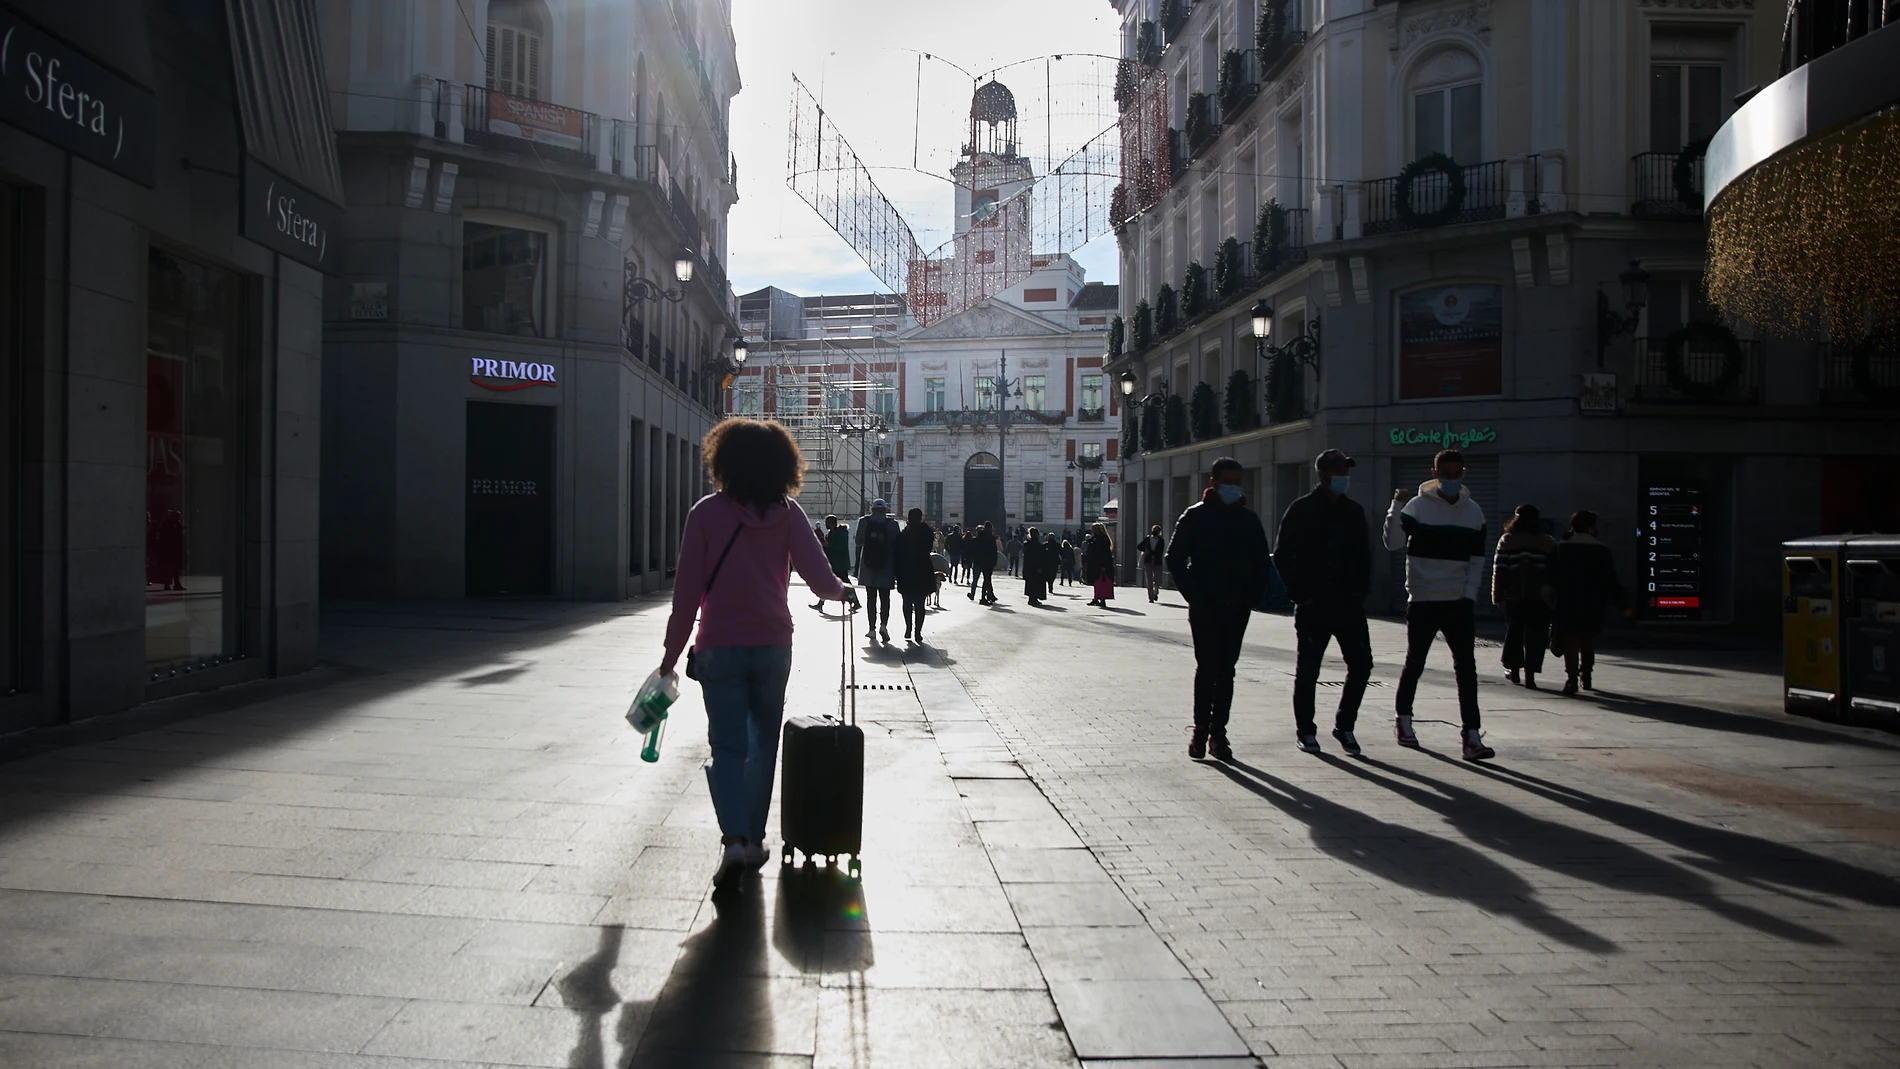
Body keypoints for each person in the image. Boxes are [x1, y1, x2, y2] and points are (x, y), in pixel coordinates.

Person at [659, 418, 859, 891]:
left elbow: (685, 596)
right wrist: (844, 591)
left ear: (722, 460)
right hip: (772, 645)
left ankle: (732, 838)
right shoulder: (789, 514)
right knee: (763, 746)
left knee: (727, 746)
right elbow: (819, 578)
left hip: (719, 646)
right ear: (782, 465)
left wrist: (670, 657)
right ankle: (753, 839)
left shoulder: (705, 514)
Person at [1384, 448, 1494, 761]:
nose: (1450, 479)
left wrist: (1469, 595)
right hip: (1422, 600)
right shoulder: (1417, 507)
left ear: (1463, 473)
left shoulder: (1473, 512)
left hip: (1457, 602)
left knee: (1466, 669)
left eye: (1456, 473)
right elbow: (1392, 543)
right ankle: (1403, 722)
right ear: (1434, 474)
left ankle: (1471, 736)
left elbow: (1477, 559)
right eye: (1444, 474)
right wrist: (1396, 505)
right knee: (1414, 663)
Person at [1166, 458, 1272, 762]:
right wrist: (1193, 594)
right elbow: (1174, 558)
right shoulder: (1195, 517)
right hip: (1206, 605)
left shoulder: (1247, 519)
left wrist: (1252, 596)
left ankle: (1219, 733)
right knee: (1208, 667)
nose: (1233, 487)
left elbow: (1262, 562)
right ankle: (1201, 730)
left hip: (1237, 605)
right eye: (1228, 481)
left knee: (1227, 671)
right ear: (1213, 482)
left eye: (1238, 481)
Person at [1273, 449, 1374, 755]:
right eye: (1338, 472)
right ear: (1322, 475)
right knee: (1308, 670)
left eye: (1346, 472)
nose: (1344, 477)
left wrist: (1360, 589)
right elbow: (1282, 555)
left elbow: (1364, 554)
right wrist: (1300, 594)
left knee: (1362, 665)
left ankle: (1345, 726)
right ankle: (1306, 730)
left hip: (1348, 603)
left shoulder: (1353, 511)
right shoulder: (1302, 509)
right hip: (1313, 605)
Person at [1549, 509, 1630, 695]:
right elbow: (1611, 580)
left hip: (1567, 602)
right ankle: (1586, 675)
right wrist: (1623, 605)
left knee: (1570, 641)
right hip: (1593, 603)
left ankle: (1571, 678)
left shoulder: (1561, 548)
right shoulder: (1601, 550)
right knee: (1587, 641)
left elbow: (1551, 577)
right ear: (1591, 527)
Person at [1492, 503, 1557, 689]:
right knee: (1536, 634)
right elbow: (1553, 571)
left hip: (1514, 595)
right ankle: (1531, 675)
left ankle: (1513, 671)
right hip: (1540, 597)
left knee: (1514, 633)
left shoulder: (1507, 539)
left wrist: (1497, 595)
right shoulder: (1548, 541)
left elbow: (1500, 569)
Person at [854, 499, 901, 643]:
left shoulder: (864, 521)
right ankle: (884, 625)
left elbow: (858, 542)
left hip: (868, 565)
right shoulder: (893, 524)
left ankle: (871, 629)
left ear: (872, 509)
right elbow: (897, 544)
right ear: (885, 510)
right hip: (886, 565)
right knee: (885, 598)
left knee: (871, 598)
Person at [895, 507, 936, 643]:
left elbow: (898, 552)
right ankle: (917, 631)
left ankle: (908, 627)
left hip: (906, 571)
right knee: (920, 604)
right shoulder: (927, 532)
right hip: (923, 570)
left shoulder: (904, 534)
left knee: (907, 602)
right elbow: (929, 548)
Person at [813, 515, 851, 611]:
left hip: (840, 563)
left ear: (831, 523)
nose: (825, 524)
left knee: (846, 583)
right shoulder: (832, 533)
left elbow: (840, 547)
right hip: (834, 562)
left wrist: (828, 545)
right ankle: (820, 603)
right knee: (829, 582)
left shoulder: (841, 533)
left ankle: (855, 601)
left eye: (827, 522)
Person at [1083, 522, 1116, 607]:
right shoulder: (1095, 538)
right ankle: (1096, 598)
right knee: (1096, 582)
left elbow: (1104, 553)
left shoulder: (1102, 539)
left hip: (1100, 564)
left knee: (1100, 582)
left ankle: (1101, 599)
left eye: (1093, 529)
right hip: (1094, 564)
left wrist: (1103, 566)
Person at [968, 521, 1000, 604]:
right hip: (988, 562)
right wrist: (995, 561)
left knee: (976, 579)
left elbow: (971, 550)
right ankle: (983, 597)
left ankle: (977, 594)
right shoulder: (991, 538)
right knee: (986, 580)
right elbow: (993, 551)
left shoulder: (977, 538)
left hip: (978, 561)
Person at [1136, 525, 1167, 603]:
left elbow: (1161, 551)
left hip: (1157, 562)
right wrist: (1145, 550)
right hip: (1148, 561)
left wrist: (1152, 552)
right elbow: (1139, 546)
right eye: (1154, 529)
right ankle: (1151, 597)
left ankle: (1156, 591)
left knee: (1157, 579)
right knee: (1149, 579)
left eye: (1157, 530)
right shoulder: (1147, 539)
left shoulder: (1161, 540)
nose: (1155, 531)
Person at [1022, 526, 1048, 606]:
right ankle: (1034, 598)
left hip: (1028, 567)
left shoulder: (1027, 544)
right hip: (1035, 568)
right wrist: (1039, 567)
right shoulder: (1036, 545)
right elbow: (1038, 557)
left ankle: (1032, 598)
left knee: (1030, 583)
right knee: (1036, 583)